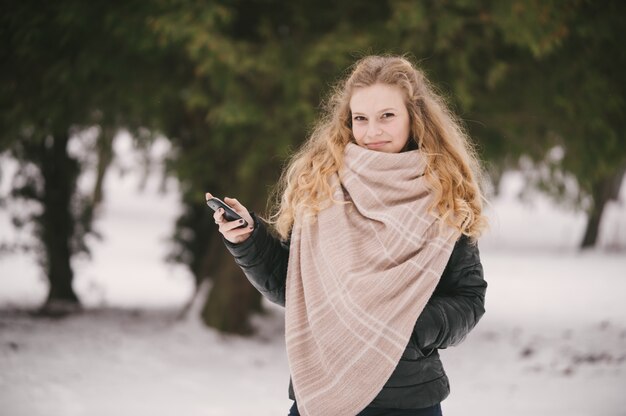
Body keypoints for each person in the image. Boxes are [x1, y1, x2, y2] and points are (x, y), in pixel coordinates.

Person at [206, 55, 488, 416]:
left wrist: (408, 327)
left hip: (406, 397)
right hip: (321, 390)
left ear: (413, 118)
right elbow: (292, 287)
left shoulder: (444, 194)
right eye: (361, 119)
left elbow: (468, 297)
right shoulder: (321, 185)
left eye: (387, 116)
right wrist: (247, 240)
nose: (372, 132)